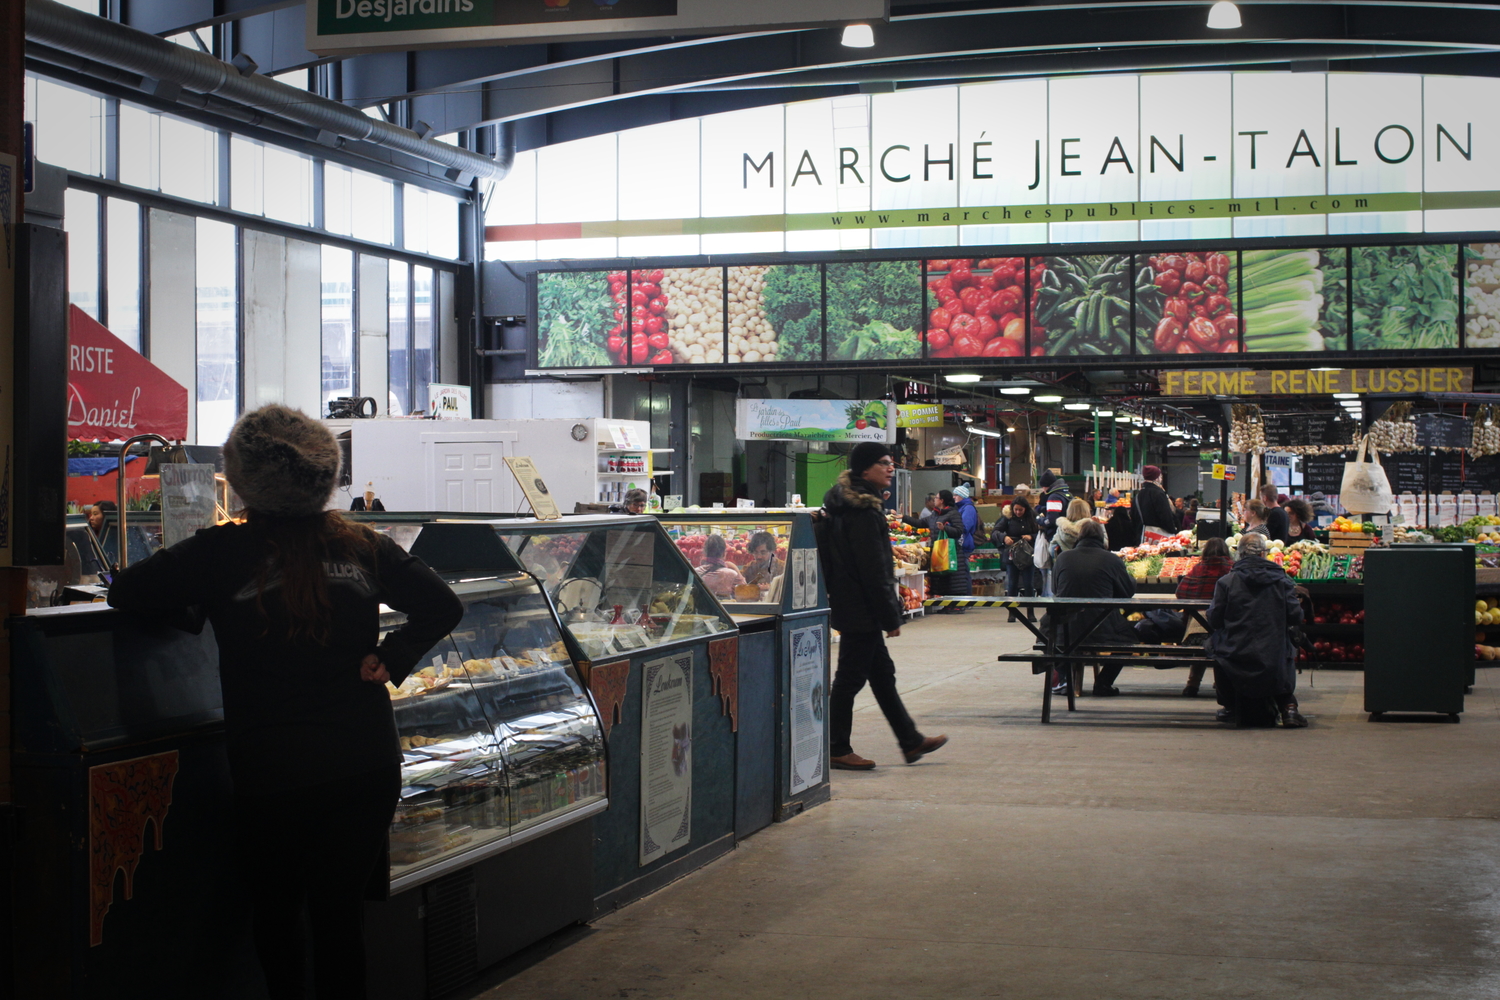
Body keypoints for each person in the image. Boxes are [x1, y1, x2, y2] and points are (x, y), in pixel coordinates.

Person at [106, 404, 465, 1000]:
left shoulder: (218, 553)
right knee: (339, 918)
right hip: (365, 763)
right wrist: (392, 657)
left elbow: (126, 592)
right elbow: (443, 604)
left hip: (273, 766)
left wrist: (194, 609)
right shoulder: (361, 543)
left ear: (242, 477)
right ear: (325, 475)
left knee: (277, 915)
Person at [818, 442, 947, 770]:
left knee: (882, 674)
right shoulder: (861, 511)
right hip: (860, 606)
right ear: (865, 470)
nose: (891, 468)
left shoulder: (849, 505)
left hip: (854, 604)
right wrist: (891, 615)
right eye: (884, 463)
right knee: (849, 678)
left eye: (891, 463)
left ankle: (910, 740)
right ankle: (835, 747)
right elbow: (874, 568)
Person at [1206, 531, 1308, 728]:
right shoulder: (1282, 581)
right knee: (1285, 645)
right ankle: (1289, 707)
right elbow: (1296, 616)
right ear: (1263, 554)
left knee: (1213, 646)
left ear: (1240, 554)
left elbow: (1215, 619)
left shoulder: (1226, 582)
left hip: (1236, 651)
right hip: (1273, 650)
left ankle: (1230, 706)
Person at [1047, 519, 1138, 696]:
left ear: (1079, 537)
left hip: (1064, 628)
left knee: (1057, 636)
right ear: (1101, 538)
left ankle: (1062, 677)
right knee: (1129, 638)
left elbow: (1055, 590)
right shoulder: (1111, 559)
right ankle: (1103, 683)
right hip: (1102, 628)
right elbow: (1127, 592)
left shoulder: (1063, 558)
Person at [1169, 536, 1234, 696]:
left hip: (1196, 631)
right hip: (1227, 629)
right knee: (1222, 643)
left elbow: (1181, 593)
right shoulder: (1233, 569)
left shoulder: (1198, 568)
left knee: (1201, 643)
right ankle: (1221, 682)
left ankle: (1192, 684)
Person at [930, 486, 980, 612]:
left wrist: (948, 526)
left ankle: (964, 601)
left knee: (962, 574)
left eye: (956, 495)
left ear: (962, 496)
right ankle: (957, 602)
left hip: (962, 545)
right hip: (954, 544)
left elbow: (964, 527)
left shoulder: (968, 508)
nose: (954, 497)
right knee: (958, 575)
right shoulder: (959, 508)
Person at [1000, 496, 1039, 619]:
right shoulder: (1007, 518)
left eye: (1020, 510)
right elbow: (996, 531)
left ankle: (1030, 613)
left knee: (1028, 585)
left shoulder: (1033, 518)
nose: (1017, 512)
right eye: (1015, 509)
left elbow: (1041, 533)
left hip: (1028, 555)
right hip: (1012, 554)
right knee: (1012, 584)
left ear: (1025, 509)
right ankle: (1012, 613)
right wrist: (1004, 537)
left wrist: (1031, 537)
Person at [1035, 471, 1073, 597]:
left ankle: (1051, 598)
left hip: (1056, 539)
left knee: (1052, 572)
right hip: (1067, 538)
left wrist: (1039, 519)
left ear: (1046, 486)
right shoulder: (1067, 494)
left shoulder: (1053, 497)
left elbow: (1051, 520)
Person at [1132, 465, 1177, 542]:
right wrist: (1173, 530)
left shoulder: (1138, 495)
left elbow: (1133, 516)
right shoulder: (1158, 493)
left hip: (1142, 536)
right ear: (1156, 478)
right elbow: (1165, 516)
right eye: (1160, 476)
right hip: (1160, 538)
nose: (1162, 478)